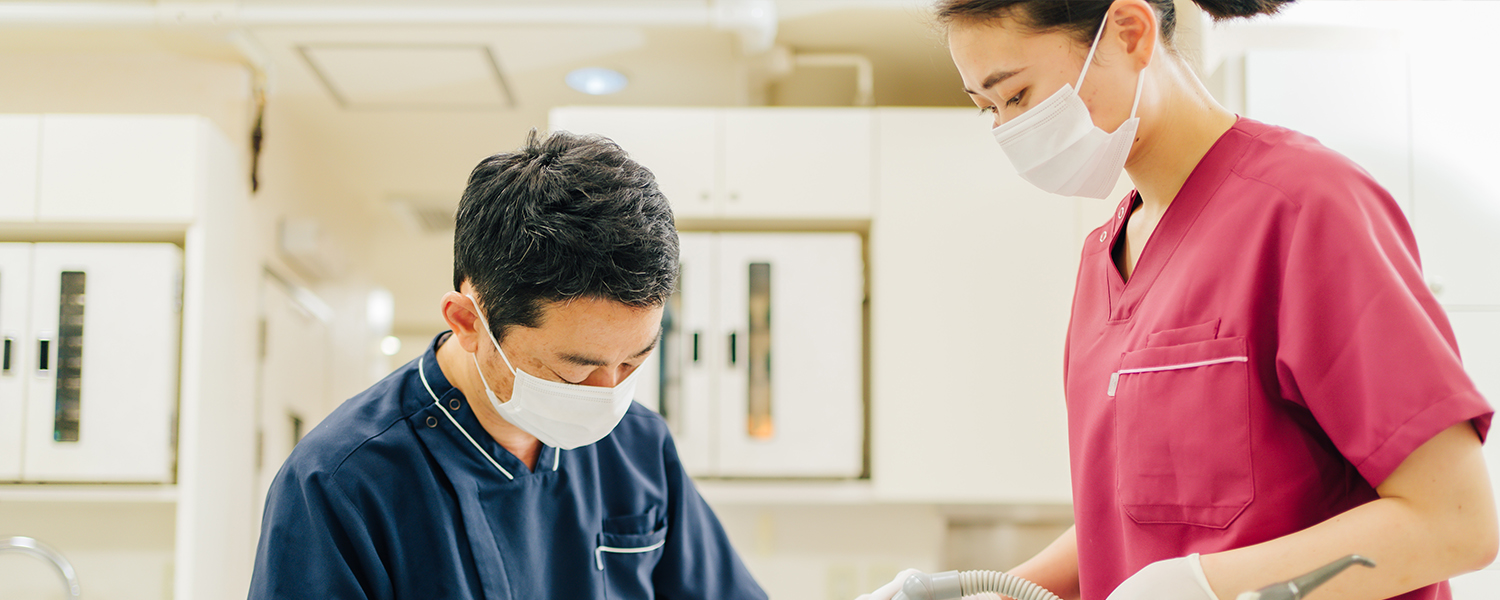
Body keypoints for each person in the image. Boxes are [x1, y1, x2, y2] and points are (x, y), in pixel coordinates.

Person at [862, 1, 1497, 599]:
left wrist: (1207, 586)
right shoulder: (1102, 256)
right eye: (988, 108)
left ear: (1131, 33)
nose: (1008, 129)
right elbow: (1138, 518)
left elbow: (1455, 522)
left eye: (1019, 95)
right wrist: (997, 589)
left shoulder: (1305, 208)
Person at [249, 130, 767, 600]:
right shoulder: (341, 484)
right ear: (468, 323)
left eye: (634, 361)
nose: (607, 393)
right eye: (574, 369)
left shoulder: (639, 449)